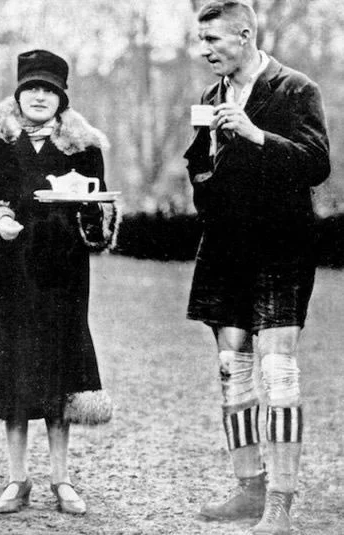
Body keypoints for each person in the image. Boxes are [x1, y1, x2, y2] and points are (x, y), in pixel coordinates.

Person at [0, 49, 117, 516]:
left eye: (49, 90)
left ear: (62, 98)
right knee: (15, 373)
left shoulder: (84, 146)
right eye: (31, 88)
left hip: (63, 274)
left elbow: (100, 209)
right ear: (18, 94)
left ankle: (61, 479)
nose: (40, 96)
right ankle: (17, 479)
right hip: (8, 273)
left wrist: (92, 212)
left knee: (59, 374)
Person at [184, 1, 330, 534]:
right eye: (201, 41)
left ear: (244, 35)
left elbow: (317, 163)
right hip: (226, 247)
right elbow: (200, 172)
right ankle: (249, 488)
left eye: (214, 40)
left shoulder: (296, 88)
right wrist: (207, 162)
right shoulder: (211, 96)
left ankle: (281, 503)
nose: (205, 51)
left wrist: (254, 134)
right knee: (233, 370)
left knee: (278, 372)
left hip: (280, 245)